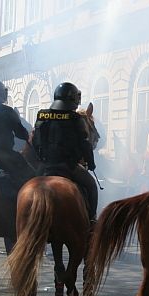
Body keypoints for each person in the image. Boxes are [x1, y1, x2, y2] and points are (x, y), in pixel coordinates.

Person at [32, 82, 98, 222]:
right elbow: (85, 144)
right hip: (68, 166)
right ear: (73, 99)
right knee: (92, 186)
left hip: (46, 166)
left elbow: (36, 140)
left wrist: (41, 158)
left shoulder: (42, 115)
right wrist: (91, 163)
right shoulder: (76, 118)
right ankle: (92, 220)